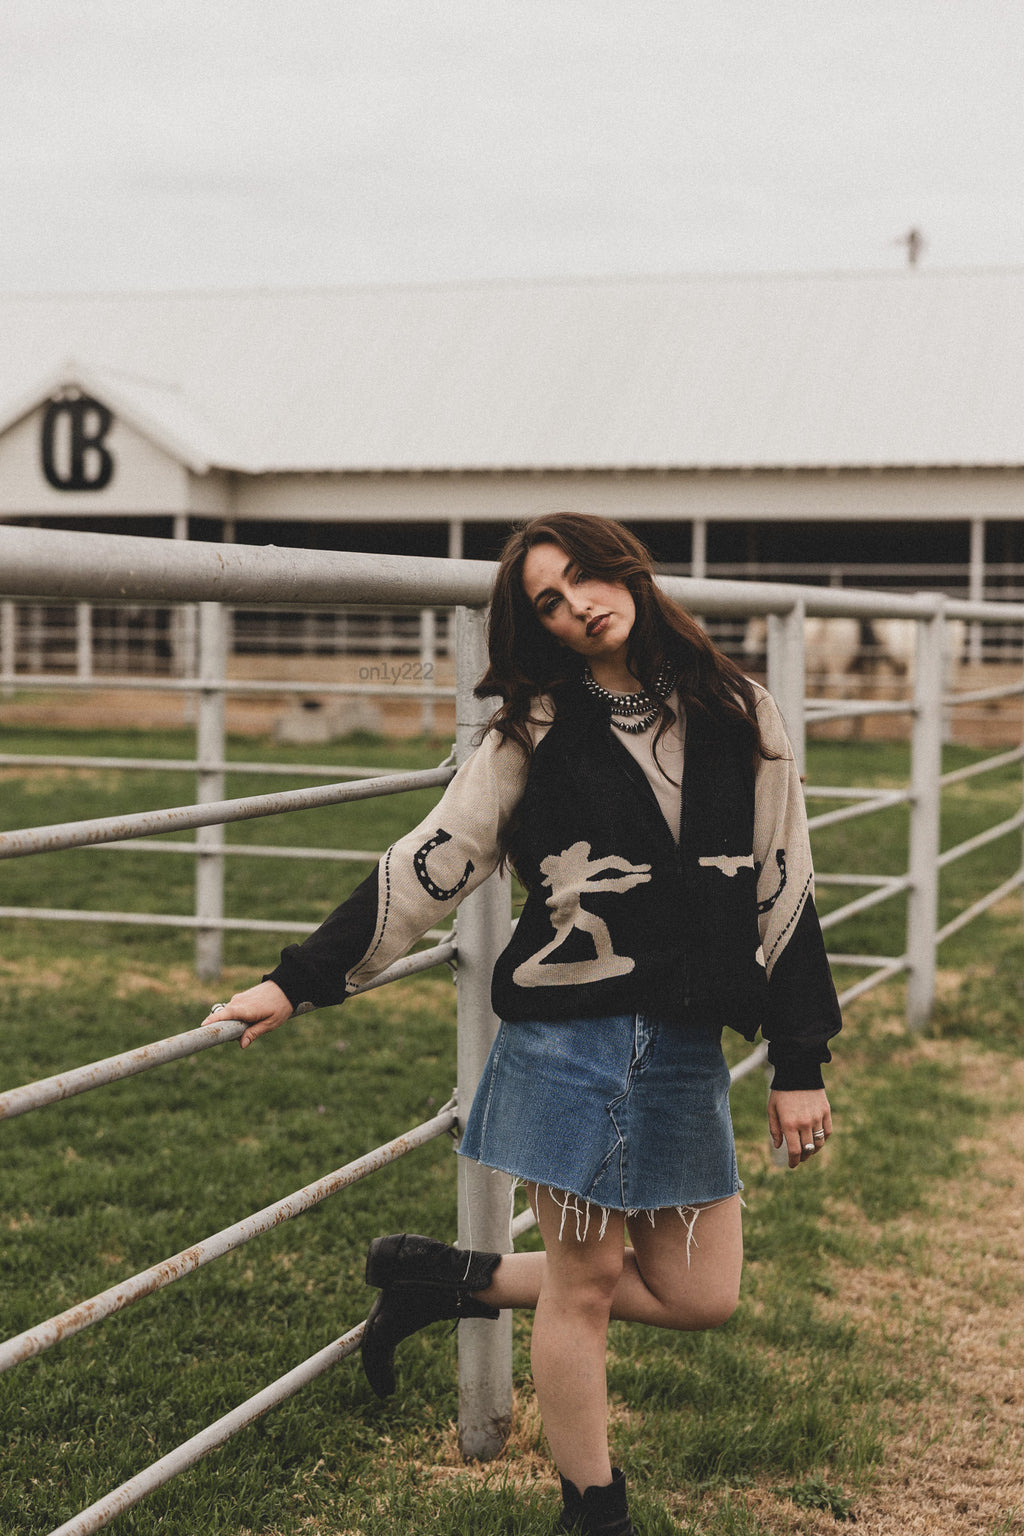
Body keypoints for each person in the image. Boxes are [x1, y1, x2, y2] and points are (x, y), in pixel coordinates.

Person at [202, 513, 841, 1536]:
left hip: (684, 1048)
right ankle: (594, 1510)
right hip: (563, 1047)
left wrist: (798, 1061)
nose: (577, 604)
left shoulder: (739, 709)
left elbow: (787, 891)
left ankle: (447, 1277)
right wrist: (297, 981)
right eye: (549, 599)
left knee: (703, 1294)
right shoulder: (532, 732)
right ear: (537, 625)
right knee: (582, 1287)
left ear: (627, 570)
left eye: (585, 575)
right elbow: (433, 860)